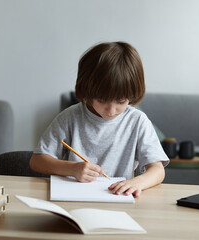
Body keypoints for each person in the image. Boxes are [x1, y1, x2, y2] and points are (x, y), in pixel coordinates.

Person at [30, 41, 169, 197]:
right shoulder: (70, 118)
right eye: (102, 100)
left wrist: (137, 182)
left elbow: (157, 170)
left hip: (118, 199)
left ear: (132, 96)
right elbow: (37, 160)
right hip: (73, 197)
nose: (111, 110)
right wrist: (71, 169)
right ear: (87, 90)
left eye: (121, 101)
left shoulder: (137, 121)